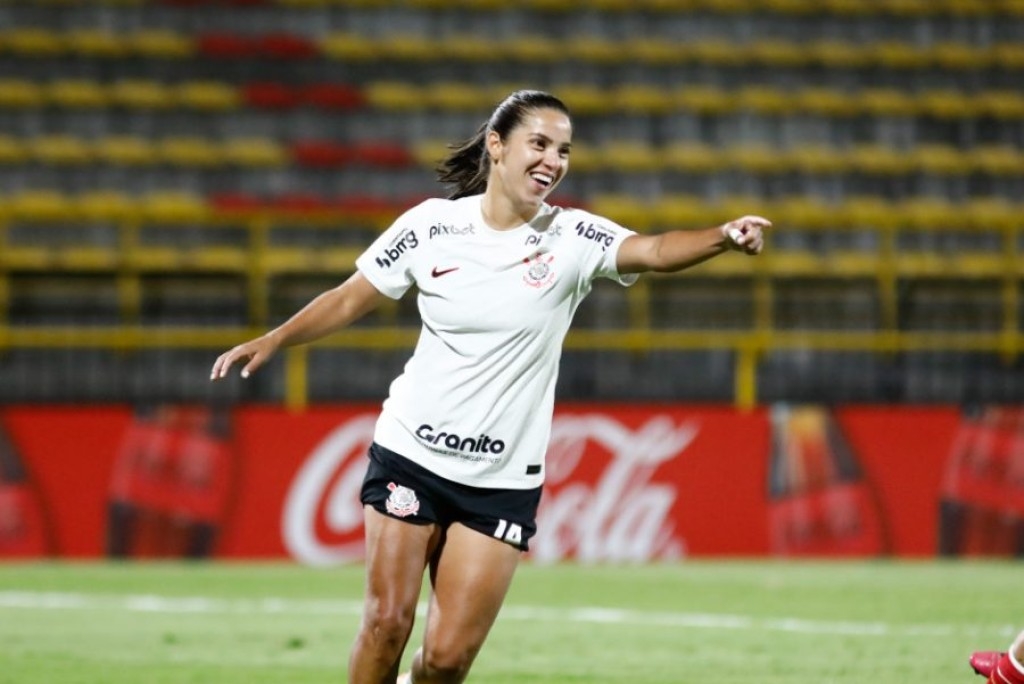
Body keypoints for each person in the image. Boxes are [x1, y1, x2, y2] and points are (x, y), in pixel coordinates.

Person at [210, 89, 770, 684]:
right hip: (412, 454)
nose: (553, 161)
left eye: (564, 150)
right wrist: (275, 338)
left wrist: (722, 237)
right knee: (387, 623)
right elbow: (351, 296)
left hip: (500, 482)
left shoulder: (574, 238)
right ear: (498, 147)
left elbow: (654, 250)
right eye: (540, 144)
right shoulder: (431, 227)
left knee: (448, 660)